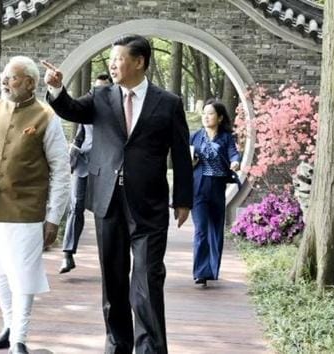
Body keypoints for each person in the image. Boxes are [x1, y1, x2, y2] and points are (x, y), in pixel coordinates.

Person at [42, 34, 193, 354]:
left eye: (118, 58)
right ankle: (117, 344)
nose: (111, 64)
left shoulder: (168, 103)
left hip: (149, 205)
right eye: (110, 59)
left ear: (139, 62)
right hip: (107, 200)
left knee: (148, 279)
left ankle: (151, 348)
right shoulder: (101, 96)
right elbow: (70, 109)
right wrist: (56, 88)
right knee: (113, 281)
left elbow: (180, 153)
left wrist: (183, 199)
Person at [0, 56, 69, 354]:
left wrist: (53, 217)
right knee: (1, 272)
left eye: (13, 78)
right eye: (5, 77)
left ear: (30, 83)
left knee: (23, 275)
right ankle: (9, 327)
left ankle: (19, 339)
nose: (6, 82)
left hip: (27, 212)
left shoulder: (46, 117)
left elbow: (61, 170)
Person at [59, 73, 112, 274]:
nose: (99, 92)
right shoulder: (86, 110)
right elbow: (80, 137)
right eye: (96, 88)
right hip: (82, 164)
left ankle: (107, 258)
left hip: (105, 167)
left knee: (104, 211)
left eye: (104, 88)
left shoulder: (118, 112)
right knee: (76, 207)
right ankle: (67, 254)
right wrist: (72, 151)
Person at [190, 99, 241, 287]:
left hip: (218, 187)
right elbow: (184, 157)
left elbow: (233, 153)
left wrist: (235, 162)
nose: (206, 117)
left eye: (210, 113)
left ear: (219, 118)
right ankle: (200, 272)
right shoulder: (195, 136)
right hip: (199, 188)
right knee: (201, 229)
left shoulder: (226, 137)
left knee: (215, 231)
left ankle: (212, 270)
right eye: (204, 113)